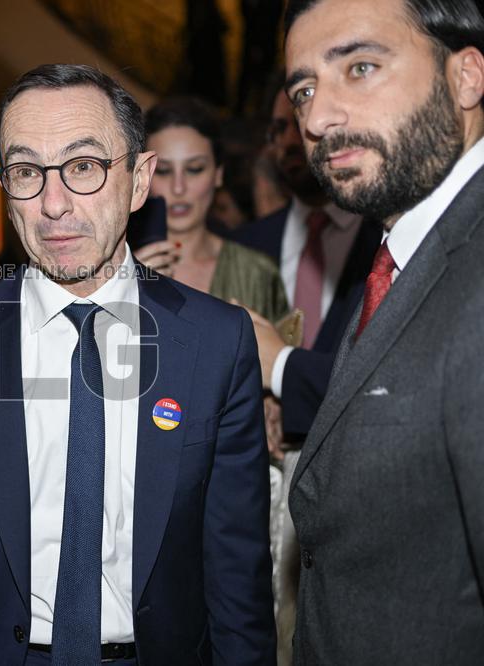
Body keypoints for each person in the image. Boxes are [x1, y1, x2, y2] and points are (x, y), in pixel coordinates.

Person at [0, 63, 275, 666]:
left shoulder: (215, 343)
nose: (54, 204)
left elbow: (237, 571)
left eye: (84, 167)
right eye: (27, 172)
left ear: (138, 182)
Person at [283, 0, 484, 663]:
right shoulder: (400, 256)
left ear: (466, 78)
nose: (315, 118)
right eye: (304, 89)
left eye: (360, 68)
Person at [234, 87, 379, 442]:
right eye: (277, 129)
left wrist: (281, 365)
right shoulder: (247, 243)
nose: (287, 141)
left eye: (297, 126)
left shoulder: (385, 239)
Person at [137, 97, 288, 322]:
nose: (179, 188)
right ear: (142, 176)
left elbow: (278, 355)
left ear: (218, 174)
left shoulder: (257, 274)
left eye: (195, 169)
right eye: (164, 171)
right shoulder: (108, 266)